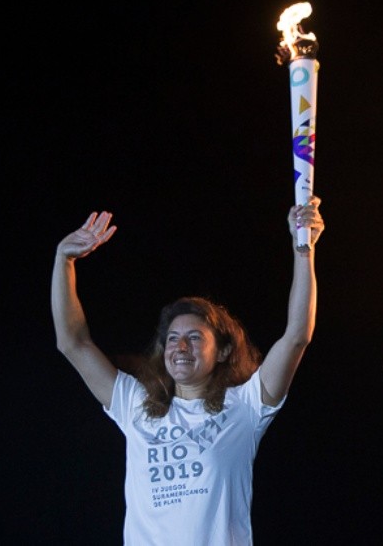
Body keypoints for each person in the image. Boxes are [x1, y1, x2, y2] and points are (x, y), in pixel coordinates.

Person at [51, 197, 324, 545]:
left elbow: (297, 336)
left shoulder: (245, 408)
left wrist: (304, 250)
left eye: (195, 338)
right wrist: (64, 261)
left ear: (223, 351)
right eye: (173, 338)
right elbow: (72, 343)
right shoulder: (134, 405)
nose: (181, 347)